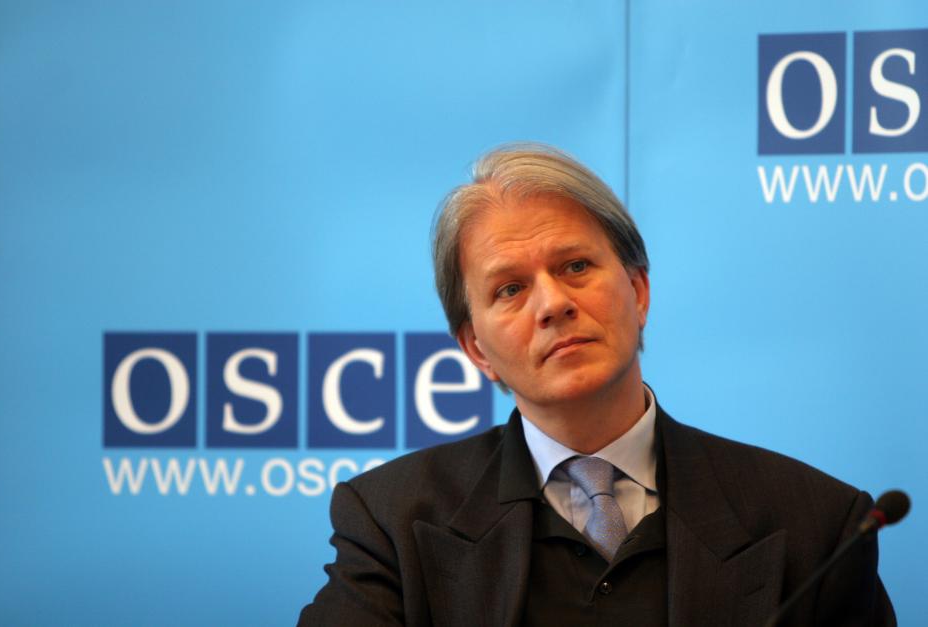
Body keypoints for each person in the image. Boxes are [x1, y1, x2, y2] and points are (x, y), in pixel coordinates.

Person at [298, 144, 895, 626]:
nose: (553, 304)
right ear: (477, 349)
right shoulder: (392, 522)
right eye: (510, 289)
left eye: (576, 266)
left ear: (638, 291)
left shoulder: (817, 524)